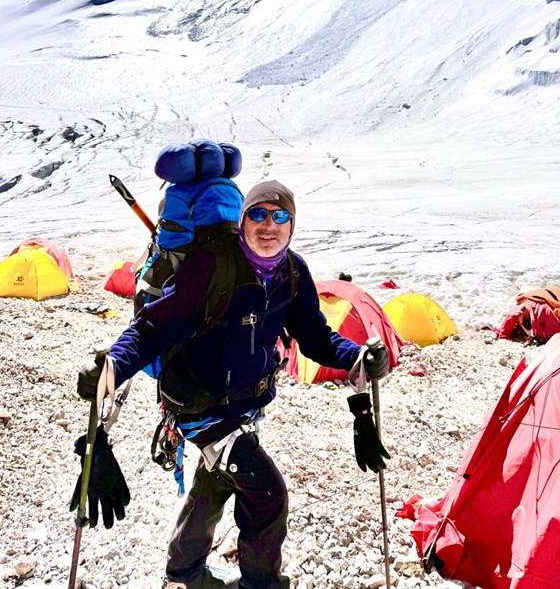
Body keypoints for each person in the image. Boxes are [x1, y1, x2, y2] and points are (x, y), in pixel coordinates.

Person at [74, 179, 390, 589]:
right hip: (201, 408)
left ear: (292, 225)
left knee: (215, 480)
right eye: (257, 213)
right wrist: (113, 366)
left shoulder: (293, 271)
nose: (268, 225)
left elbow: (315, 337)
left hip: (247, 404)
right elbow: (154, 327)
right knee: (267, 494)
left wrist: (358, 358)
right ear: (242, 221)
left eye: (280, 217)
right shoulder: (211, 265)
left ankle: (183, 573)